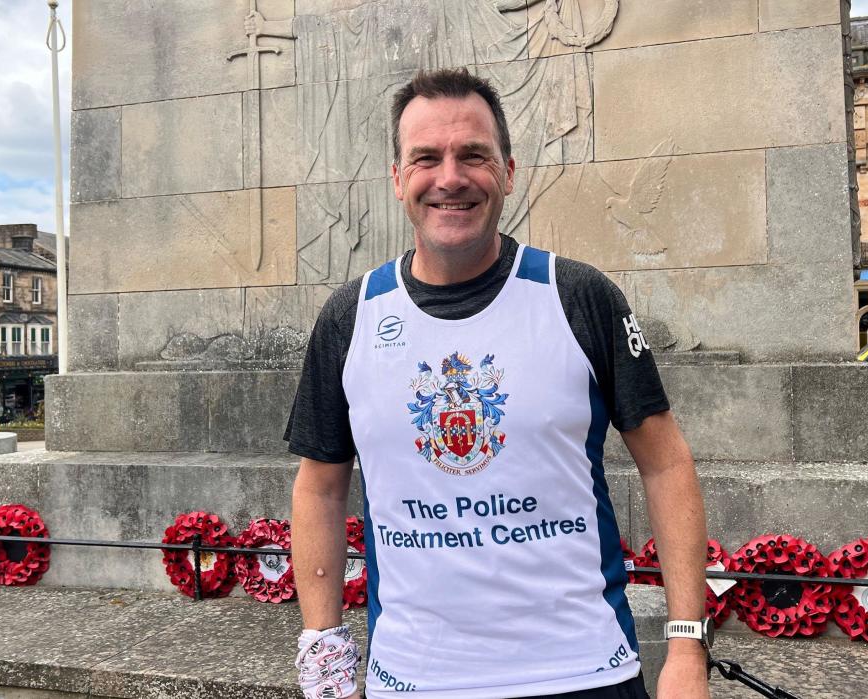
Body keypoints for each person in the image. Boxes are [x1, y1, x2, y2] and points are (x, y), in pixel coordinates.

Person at [286, 69, 709, 699]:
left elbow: (667, 464)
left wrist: (685, 648)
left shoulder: (578, 297)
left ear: (508, 172)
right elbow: (320, 488)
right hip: (413, 680)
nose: (450, 177)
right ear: (399, 178)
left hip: (583, 672)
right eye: (426, 157)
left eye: (473, 156)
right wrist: (323, 653)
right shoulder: (352, 317)